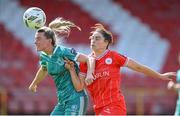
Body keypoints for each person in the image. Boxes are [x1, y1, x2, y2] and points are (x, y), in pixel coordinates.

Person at [64, 23, 176, 115]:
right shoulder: (85, 63)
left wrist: (159, 75)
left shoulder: (113, 56)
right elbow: (79, 87)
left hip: (115, 105)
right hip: (98, 108)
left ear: (106, 42)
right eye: (91, 38)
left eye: (97, 38)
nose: (93, 41)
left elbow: (138, 67)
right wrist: (72, 70)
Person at [28, 25, 94, 115]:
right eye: (35, 39)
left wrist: (90, 74)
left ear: (49, 41)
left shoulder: (62, 51)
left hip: (75, 99)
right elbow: (44, 69)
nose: (35, 42)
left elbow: (88, 59)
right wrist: (34, 83)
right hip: (62, 102)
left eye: (38, 39)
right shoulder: (44, 55)